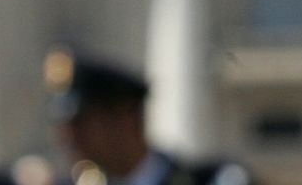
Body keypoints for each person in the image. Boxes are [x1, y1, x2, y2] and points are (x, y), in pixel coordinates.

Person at [46, 49, 252, 185]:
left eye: (81, 124)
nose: (69, 137)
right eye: (66, 125)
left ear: (125, 121)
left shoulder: (214, 179)